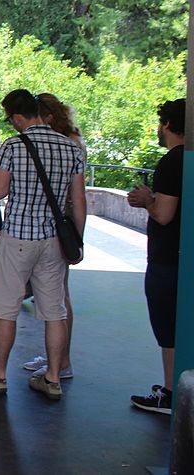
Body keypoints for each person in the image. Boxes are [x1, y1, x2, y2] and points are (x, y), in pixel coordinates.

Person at [0, 88, 86, 401]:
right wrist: (78, 241)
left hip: (18, 236)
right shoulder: (70, 147)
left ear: (17, 117)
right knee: (55, 311)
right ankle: (52, 378)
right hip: (53, 242)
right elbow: (78, 200)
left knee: (6, 309)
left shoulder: (15, 146)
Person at [19, 92, 85, 378]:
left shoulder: (66, 143)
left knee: (59, 296)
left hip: (59, 225)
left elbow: (75, 195)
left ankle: (62, 361)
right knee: (56, 295)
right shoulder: (71, 142)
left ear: (45, 117)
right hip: (62, 224)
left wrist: (76, 239)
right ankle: (57, 358)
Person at [128, 98, 185, 415]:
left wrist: (147, 200)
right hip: (182, 257)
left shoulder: (172, 162)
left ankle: (172, 392)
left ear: (168, 125)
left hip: (167, 259)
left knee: (168, 327)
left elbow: (164, 214)